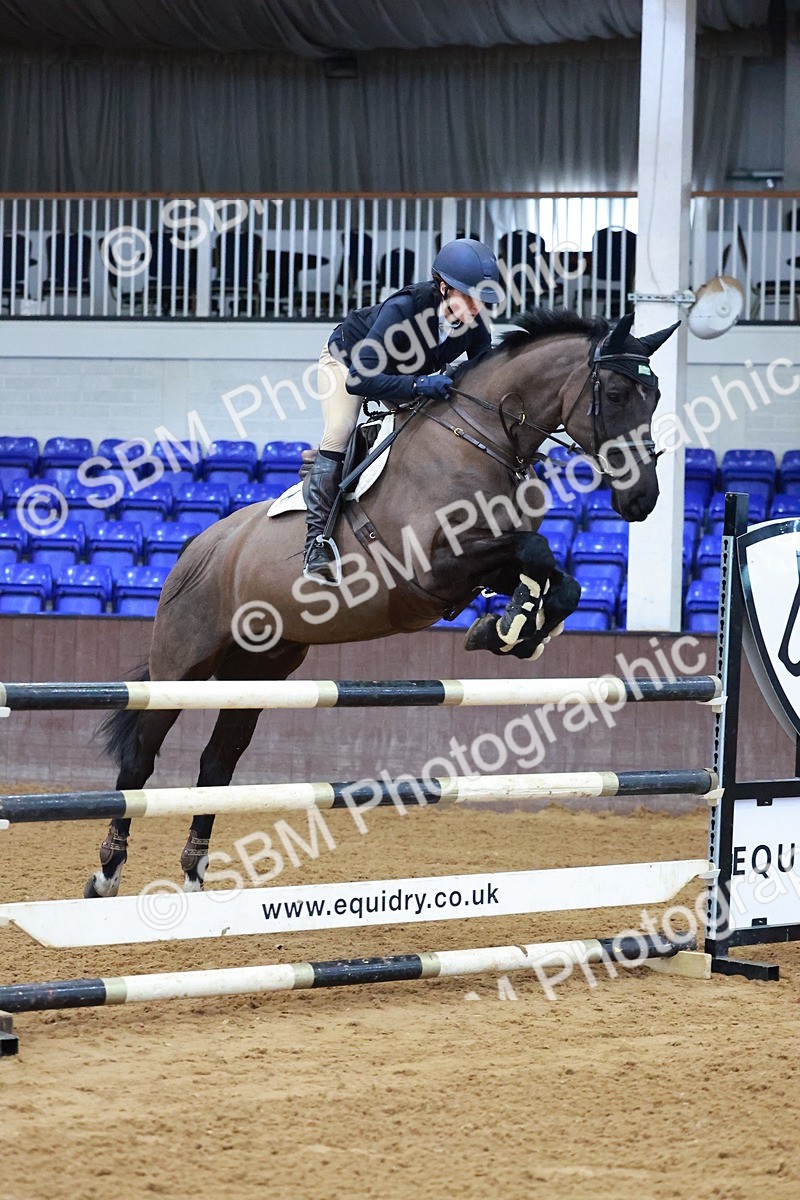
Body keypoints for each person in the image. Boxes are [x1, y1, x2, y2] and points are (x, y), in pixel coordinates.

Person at [303, 237, 501, 581]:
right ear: (443, 288)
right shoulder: (404, 308)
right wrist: (419, 385)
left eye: (481, 300)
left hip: (400, 374)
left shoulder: (473, 322)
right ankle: (316, 544)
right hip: (349, 363)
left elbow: (485, 374)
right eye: (468, 297)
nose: (475, 308)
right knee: (339, 430)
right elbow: (359, 380)